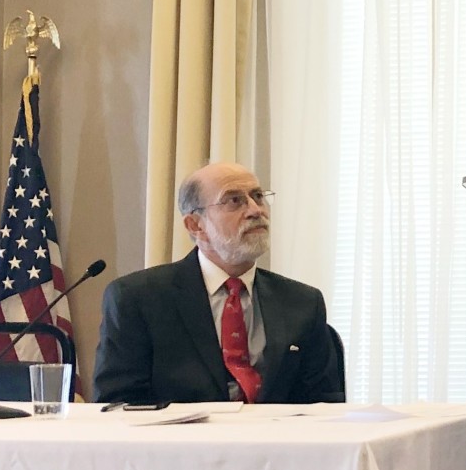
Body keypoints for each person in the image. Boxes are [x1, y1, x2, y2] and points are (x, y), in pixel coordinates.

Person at [93, 162, 343, 405]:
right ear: (195, 225)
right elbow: (118, 404)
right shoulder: (137, 299)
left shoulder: (302, 302)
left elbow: (324, 407)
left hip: (278, 445)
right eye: (234, 200)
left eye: (258, 196)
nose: (256, 210)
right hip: (181, 445)